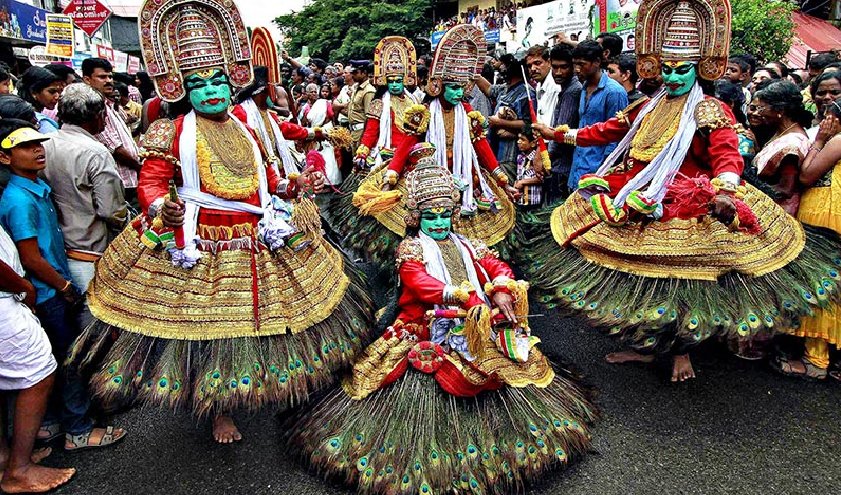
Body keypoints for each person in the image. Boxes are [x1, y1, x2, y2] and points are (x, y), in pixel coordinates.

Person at [67, 0, 373, 444]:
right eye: (198, 84)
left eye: (217, 81)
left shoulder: (245, 124)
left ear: (232, 83)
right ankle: (218, 411)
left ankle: (259, 386)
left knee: (260, 320)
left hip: (254, 233)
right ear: (181, 89)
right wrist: (161, 208)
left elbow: (266, 177)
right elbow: (151, 182)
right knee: (211, 334)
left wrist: (292, 186)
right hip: (199, 239)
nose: (210, 91)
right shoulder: (170, 130)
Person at [530, 0, 841, 382]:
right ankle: (648, 348)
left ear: (698, 69)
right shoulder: (648, 106)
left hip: (686, 201)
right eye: (668, 69)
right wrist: (559, 133)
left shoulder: (708, 109)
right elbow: (609, 130)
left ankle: (682, 353)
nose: (674, 77)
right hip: (635, 192)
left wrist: (725, 191)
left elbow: (727, 154)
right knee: (645, 281)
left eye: (682, 70)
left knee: (679, 283)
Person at [287, 143, 596, 495]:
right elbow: (418, 282)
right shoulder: (411, 247)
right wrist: (460, 296)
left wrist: (501, 287)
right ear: (417, 218)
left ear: (453, 214)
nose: (438, 223)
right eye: (430, 217)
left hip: (476, 320)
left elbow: (495, 264)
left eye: (444, 216)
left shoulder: (468, 243)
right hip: (426, 323)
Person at [0, 121, 127, 450]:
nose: (37, 150)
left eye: (38, 144)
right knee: (71, 358)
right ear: (5, 158)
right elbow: (30, 257)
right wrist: (64, 286)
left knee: (62, 356)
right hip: (48, 291)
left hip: (52, 285)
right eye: (25, 147)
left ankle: (54, 422)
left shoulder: (37, 187)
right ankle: (78, 429)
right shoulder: (19, 200)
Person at [353, 24, 517, 265]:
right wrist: (390, 178)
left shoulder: (468, 113)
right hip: (428, 179)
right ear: (438, 86)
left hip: (465, 176)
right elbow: (406, 145)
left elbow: (481, 146)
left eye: (462, 88)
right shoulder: (424, 112)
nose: (459, 93)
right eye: (453, 88)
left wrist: (502, 181)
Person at [41, 83, 128, 327]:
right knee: (94, 326)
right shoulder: (95, 152)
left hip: (56, 249)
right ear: (96, 117)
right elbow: (111, 210)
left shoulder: (45, 143)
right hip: (88, 251)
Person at [0, 219, 75, 493]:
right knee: (39, 373)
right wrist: (23, 286)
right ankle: (18, 470)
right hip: (5, 299)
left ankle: (4, 458)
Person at [783, 97, 841, 380]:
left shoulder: (838, 140)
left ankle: (815, 361)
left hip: (827, 216)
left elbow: (806, 175)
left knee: (822, 288)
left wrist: (820, 140)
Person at [567, 39, 628, 191]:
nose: (577, 69)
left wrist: (604, 170)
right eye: (575, 64)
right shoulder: (584, 87)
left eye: (582, 64)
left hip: (598, 172)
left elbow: (617, 137)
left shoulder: (614, 92)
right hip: (578, 167)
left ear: (597, 62)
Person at [747, 81, 812, 216]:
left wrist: (748, 189)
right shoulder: (781, 133)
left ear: (780, 111)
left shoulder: (793, 144)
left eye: (762, 108)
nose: (759, 113)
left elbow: (785, 189)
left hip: (776, 213)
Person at [82, 58, 141, 205]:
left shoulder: (109, 104)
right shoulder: (94, 108)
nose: (108, 81)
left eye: (110, 76)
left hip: (130, 178)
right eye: (102, 77)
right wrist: (140, 167)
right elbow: (114, 148)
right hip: (121, 179)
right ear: (87, 80)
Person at [546, 43, 582, 202]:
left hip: (563, 165)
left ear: (573, 66)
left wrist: (546, 158)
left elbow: (561, 133)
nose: (558, 72)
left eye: (564, 67)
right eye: (555, 67)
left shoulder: (572, 91)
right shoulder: (567, 89)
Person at [487, 53, 530, 180]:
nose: (501, 67)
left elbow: (527, 124)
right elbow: (488, 89)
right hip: (496, 152)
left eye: (505, 65)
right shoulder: (505, 88)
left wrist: (499, 123)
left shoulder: (525, 92)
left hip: (510, 155)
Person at [16, 67, 61, 134]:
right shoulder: (42, 125)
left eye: (59, 92)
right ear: (34, 93)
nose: (57, 96)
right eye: (52, 92)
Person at [525, 45, 559, 126]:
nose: (533, 69)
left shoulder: (555, 85)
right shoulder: (539, 86)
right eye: (529, 66)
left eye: (537, 63)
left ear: (549, 63)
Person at [347, 60, 376, 151]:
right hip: (353, 131)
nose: (352, 75)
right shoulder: (356, 88)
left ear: (364, 73)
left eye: (356, 73)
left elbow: (369, 116)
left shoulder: (369, 91)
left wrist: (364, 138)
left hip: (361, 132)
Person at [515, 124, 543, 207]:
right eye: (518, 139)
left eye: (523, 140)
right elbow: (519, 175)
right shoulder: (520, 157)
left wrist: (522, 182)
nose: (518, 142)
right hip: (521, 199)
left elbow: (541, 179)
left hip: (533, 200)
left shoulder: (537, 158)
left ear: (533, 143)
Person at [807, 71, 841, 139]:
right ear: (813, 97)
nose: (827, 97)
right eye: (821, 93)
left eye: (835, 92)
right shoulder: (805, 125)